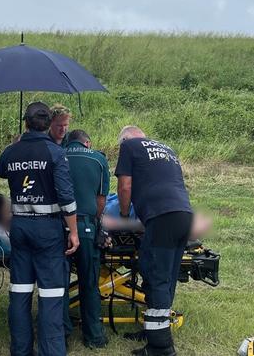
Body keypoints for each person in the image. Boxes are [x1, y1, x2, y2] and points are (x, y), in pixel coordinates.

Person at [0, 102, 80, 356]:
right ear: (48, 125)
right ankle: (52, 350)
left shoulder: (11, 152)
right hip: (47, 230)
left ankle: (21, 350)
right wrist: (74, 232)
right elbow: (66, 197)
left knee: (20, 290)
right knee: (52, 293)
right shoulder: (55, 152)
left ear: (25, 123)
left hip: (20, 228)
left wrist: (17, 145)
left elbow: (2, 171)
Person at [115, 125, 192, 356]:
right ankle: (153, 330)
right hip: (183, 214)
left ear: (125, 139)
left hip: (162, 216)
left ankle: (161, 347)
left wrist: (124, 214)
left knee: (155, 275)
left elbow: (124, 185)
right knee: (167, 277)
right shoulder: (166, 149)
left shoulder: (128, 146)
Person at [62, 129, 110, 348]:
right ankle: (94, 337)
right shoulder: (99, 159)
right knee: (89, 282)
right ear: (87, 143)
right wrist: (96, 222)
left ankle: (60, 333)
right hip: (85, 226)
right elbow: (101, 199)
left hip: (57, 226)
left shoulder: (56, 154)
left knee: (58, 283)